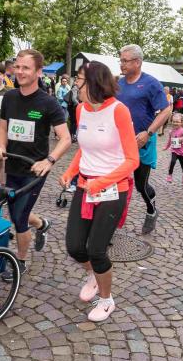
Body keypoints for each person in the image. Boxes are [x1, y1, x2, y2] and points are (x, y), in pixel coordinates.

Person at [59, 61, 138, 322]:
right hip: (85, 186)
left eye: (79, 79)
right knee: (74, 246)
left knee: (96, 249)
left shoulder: (119, 111)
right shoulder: (80, 110)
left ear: (93, 83)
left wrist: (102, 181)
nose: (75, 84)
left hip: (113, 189)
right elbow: (85, 149)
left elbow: (132, 160)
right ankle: (93, 275)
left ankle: (106, 300)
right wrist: (70, 172)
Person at [0, 49, 71, 276]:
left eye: (26, 67)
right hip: (12, 166)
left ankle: (20, 261)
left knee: (18, 217)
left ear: (38, 72)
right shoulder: (10, 97)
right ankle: (42, 224)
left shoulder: (48, 103)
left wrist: (49, 160)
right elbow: (3, 128)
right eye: (17, 66)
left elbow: (65, 138)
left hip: (35, 170)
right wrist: (1, 148)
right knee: (16, 209)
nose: (20, 71)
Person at [115, 45, 171, 234]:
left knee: (141, 185)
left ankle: (151, 210)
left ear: (137, 62)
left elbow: (166, 110)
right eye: (121, 60)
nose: (121, 64)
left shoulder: (151, 83)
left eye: (125, 60)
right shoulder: (119, 84)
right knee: (115, 183)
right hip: (120, 144)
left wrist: (148, 132)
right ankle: (110, 222)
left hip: (142, 143)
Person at [164, 113, 183, 185]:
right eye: (174, 121)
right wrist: (166, 147)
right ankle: (169, 175)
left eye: (177, 122)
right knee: (172, 162)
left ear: (181, 122)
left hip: (182, 152)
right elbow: (170, 140)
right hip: (174, 150)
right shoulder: (171, 131)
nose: (175, 123)